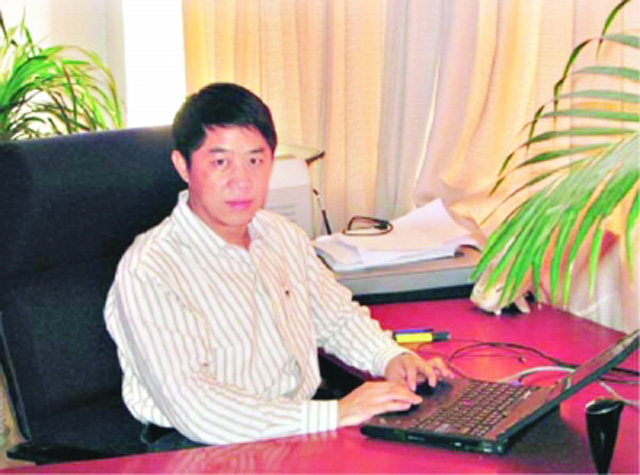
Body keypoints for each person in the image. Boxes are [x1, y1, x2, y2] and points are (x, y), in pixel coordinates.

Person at [104, 83, 453, 449]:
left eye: (255, 161)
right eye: (220, 162)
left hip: (295, 425)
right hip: (200, 445)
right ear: (183, 166)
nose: (242, 180)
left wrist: (390, 357)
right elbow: (198, 409)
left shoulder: (281, 235)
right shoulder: (150, 269)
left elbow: (336, 319)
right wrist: (336, 413)